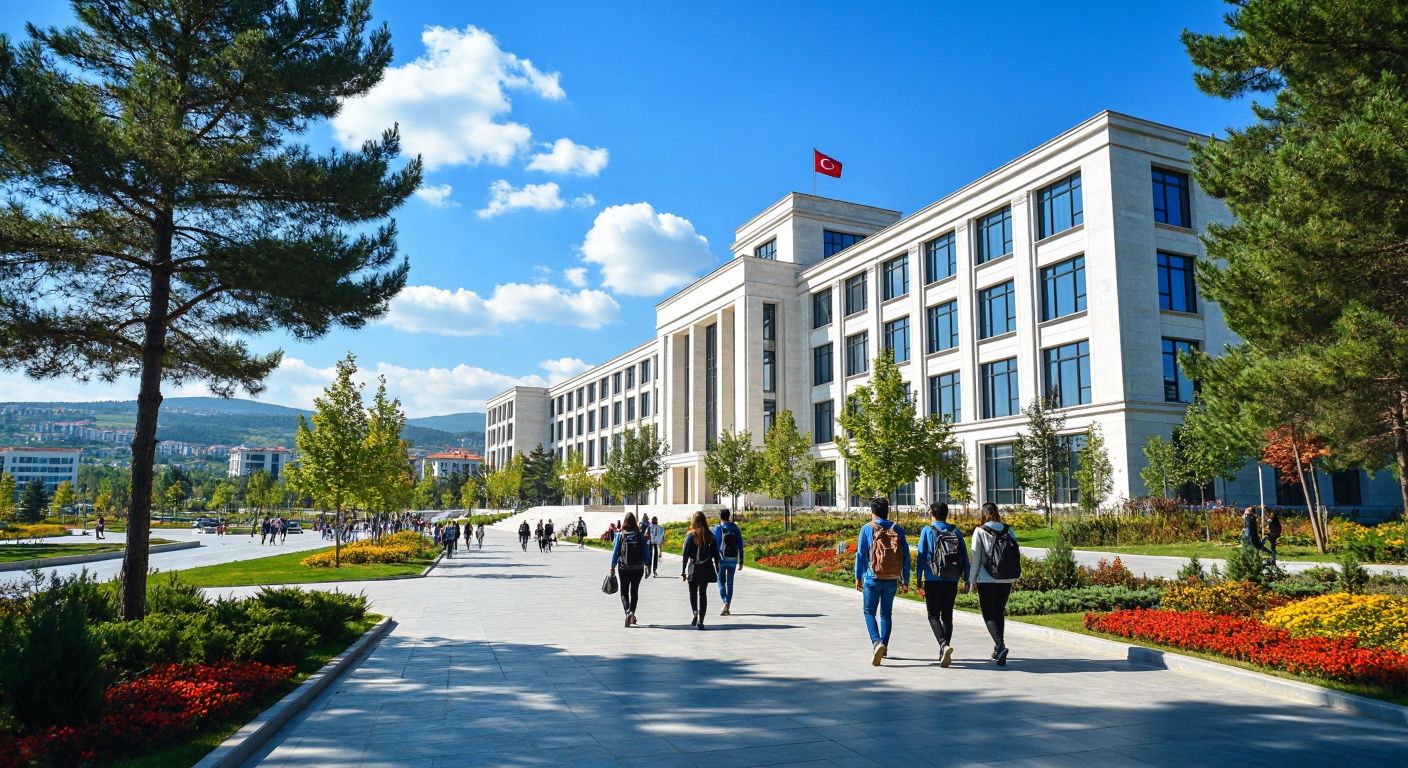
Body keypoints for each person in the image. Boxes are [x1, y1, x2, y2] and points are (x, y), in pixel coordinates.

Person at [854, 497, 910, 666]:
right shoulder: (897, 529)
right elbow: (905, 556)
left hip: (872, 577)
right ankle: (884, 647)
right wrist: (905, 579)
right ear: (887, 511)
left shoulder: (867, 528)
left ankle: (876, 642)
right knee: (886, 613)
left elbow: (861, 555)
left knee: (869, 612)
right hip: (891, 578)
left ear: (872, 512)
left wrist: (858, 577)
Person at [916, 502, 969, 668]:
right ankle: (944, 649)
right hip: (952, 579)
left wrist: (918, 578)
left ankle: (943, 644)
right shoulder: (955, 531)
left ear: (932, 513)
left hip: (933, 579)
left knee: (933, 615)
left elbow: (921, 555)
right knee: (947, 615)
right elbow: (964, 557)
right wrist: (967, 578)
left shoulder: (927, 530)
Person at [969, 503, 1021, 666]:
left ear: (984, 515)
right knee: (999, 612)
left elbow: (976, 558)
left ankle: (1000, 645)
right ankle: (998, 648)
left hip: (987, 578)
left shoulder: (980, 531)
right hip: (1006, 578)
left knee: (989, 614)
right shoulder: (1008, 530)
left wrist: (972, 581)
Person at [609, 512, 649, 627]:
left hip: (623, 567)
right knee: (634, 591)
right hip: (638, 568)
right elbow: (646, 551)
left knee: (624, 591)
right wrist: (648, 565)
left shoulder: (620, 534)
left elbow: (616, 551)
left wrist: (612, 566)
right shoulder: (640, 535)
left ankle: (627, 611)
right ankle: (632, 612)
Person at [681, 511, 720, 630]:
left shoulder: (691, 536)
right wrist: (717, 568)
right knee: (703, 593)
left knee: (692, 592)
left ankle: (695, 612)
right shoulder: (710, 536)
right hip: (706, 567)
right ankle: (701, 621)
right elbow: (715, 554)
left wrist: (683, 571)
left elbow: (685, 555)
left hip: (694, 567)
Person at [713, 510, 745, 615]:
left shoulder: (717, 528)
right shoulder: (735, 528)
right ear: (729, 516)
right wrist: (741, 560)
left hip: (721, 559)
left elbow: (714, 545)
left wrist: (713, 558)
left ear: (720, 517)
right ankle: (727, 605)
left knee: (720, 581)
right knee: (730, 583)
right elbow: (740, 545)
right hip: (733, 558)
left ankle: (725, 602)